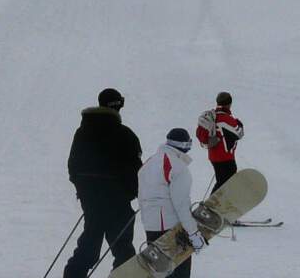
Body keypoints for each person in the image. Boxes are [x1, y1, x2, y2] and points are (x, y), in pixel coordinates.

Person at [63, 88, 142, 278]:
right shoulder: (125, 134)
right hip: (117, 198)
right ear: (118, 106)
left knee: (91, 238)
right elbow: (135, 169)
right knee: (122, 245)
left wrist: (83, 190)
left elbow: (73, 165)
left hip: (91, 198)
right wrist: (131, 192)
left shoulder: (82, 132)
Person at [137, 128, 206, 278]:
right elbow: (181, 204)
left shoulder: (148, 164)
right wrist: (193, 232)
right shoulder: (178, 167)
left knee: (160, 271)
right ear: (183, 145)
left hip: (151, 225)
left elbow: (141, 198)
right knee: (179, 271)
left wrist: (147, 222)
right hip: (171, 227)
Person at [195, 92, 243, 190]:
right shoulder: (225, 118)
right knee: (225, 184)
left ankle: (212, 204)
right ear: (230, 103)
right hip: (226, 158)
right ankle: (211, 205)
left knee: (221, 182)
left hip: (214, 156)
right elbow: (239, 133)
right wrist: (238, 123)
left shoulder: (212, 117)